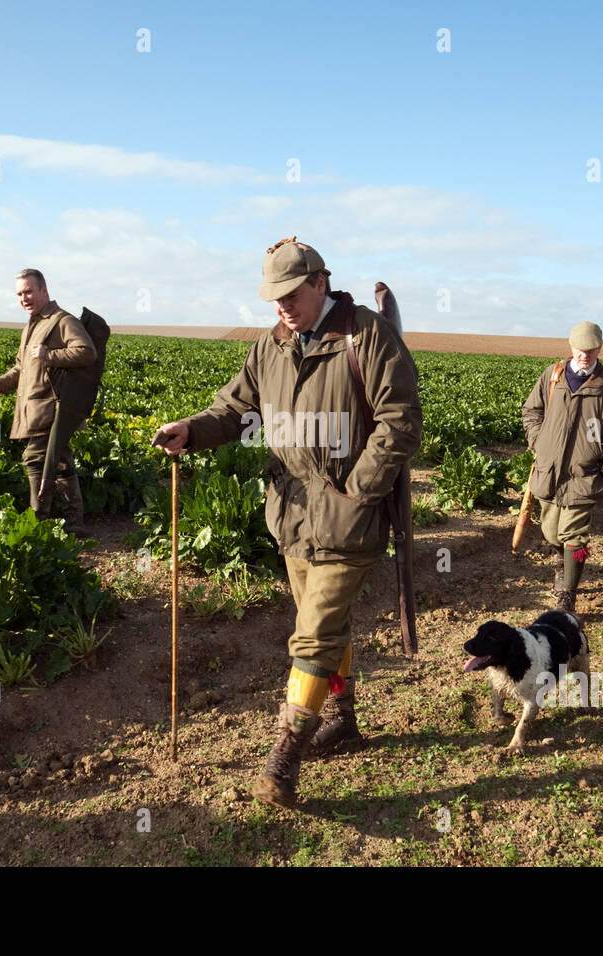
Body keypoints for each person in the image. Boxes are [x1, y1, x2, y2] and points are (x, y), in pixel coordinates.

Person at [153, 238, 422, 809]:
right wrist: (192, 429)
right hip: (292, 515)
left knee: (315, 632)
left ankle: (284, 757)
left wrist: (359, 490)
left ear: (320, 283)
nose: (281, 306)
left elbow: (400, 421)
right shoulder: (272, 344)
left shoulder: (367, 337)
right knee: (323, 623)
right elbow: (236, 409)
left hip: (348, 519)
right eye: (273, 297)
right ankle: (344, 719)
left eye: (291, 294)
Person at [0, 269, 106, 533]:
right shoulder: (31, 326)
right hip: (33, 409)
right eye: (20, 294)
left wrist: (50, 355)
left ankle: (38, 521)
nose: (24, 298)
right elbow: (21, 369)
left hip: (52, 408)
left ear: (44, 290)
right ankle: (74, 522)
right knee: (60, 462)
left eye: (29, 291)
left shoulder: (62, 321)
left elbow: (87, 352)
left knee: (34, 459)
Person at [521, 322, 603, 614]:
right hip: (549, 471)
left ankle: (568, 596)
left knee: (574, 535)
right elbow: (532, 411)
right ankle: (563, 562)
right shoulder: (553, 375)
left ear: (600, 348)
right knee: (551, 532)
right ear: (571, 347)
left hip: (584, 474)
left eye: (591, 350)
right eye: (580, 349)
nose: (584, 355)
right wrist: (538, 441)